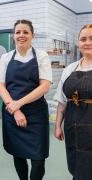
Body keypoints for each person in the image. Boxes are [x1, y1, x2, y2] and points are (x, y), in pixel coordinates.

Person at [0, 19, 52, 180]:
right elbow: (0, 86)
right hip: (12, 114)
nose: (21, 35)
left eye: (25, 32)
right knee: (18, 154)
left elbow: (45, 86)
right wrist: (15, 110)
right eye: (18, 32)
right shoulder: (6, 57)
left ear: (32, 35)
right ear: (13, 35)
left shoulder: (41, 56)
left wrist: (18, 104)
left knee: (38, 160)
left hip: (36, 114)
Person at [55, 24, 92, 180]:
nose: (87, 42)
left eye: (91, 38)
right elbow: (62, 101)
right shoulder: (70, 69)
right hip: (73, 128)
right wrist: (58, 125)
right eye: (83, 39)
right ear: (78, 43)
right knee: (77, 166)